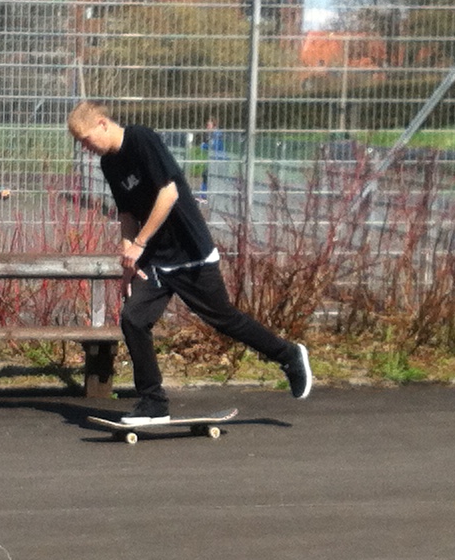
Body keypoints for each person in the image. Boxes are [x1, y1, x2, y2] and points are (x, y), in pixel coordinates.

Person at [67, 100, 310, 418]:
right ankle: (153, 403)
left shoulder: (141, 140)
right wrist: (129, 261)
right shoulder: (109, 165)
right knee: (133, 319)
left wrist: (140, 243)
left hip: (190, 251)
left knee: (222, 318)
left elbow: (168, 194)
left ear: (101, 123)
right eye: (80, 143)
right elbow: (126, 213)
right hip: (155, 257)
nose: (86, 148)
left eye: (86, 139)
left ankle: (288, 354)